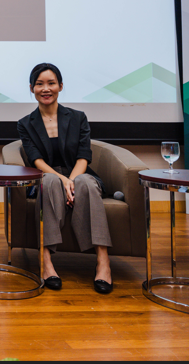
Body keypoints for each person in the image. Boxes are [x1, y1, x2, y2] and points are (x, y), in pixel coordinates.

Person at [17, 63, 113, 294]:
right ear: (31, 88)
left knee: (85, 183)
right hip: (48, 175)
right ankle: (46, 260)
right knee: (48, 181)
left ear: (60, 86)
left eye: (51, 83)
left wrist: (70, 180)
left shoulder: (78, 118)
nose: (46, 88)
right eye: (39, 84)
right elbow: (35, 160)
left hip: (78, 173)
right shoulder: (25, 124)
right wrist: (62, 179)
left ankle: (103, 261)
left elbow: (83, 156)